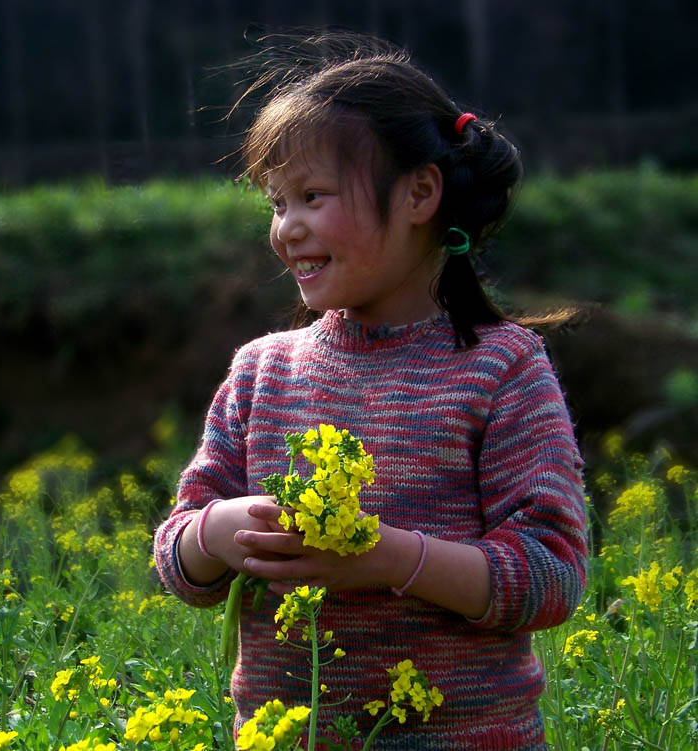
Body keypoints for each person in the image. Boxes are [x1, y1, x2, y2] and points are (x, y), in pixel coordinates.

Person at [152, 32, 587, 750]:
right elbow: (178, 557)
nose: (286, 229)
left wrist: (389, 557)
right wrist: (221, 530)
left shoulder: (502, 368)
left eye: (312, 197)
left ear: (420, 193)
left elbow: (550, 573)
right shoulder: (262, 372)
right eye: (275, 202)